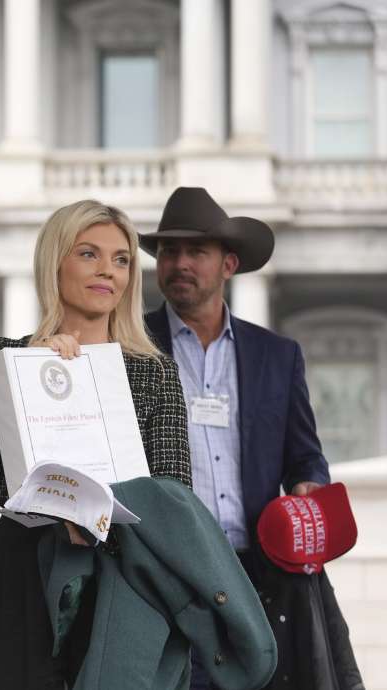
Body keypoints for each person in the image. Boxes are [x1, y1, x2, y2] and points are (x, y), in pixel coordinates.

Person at [0, 199, 192, 689]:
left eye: (121, 259)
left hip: (120, 569)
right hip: (19, 564)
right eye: (88, 254)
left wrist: (100, 518)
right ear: (54, 261)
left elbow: (175, 493)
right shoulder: (6, 355)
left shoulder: (155, 370)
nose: (108, 271)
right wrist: (25, 377)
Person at [138, 187, 334, 690]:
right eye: (169, 251)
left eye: (195, 252)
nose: (180, 263)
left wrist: (309, 492)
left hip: (258, 576)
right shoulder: (129, 349)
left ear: (228, 264)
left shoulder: (277, 355)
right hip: (166, 575)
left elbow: (305, 458)